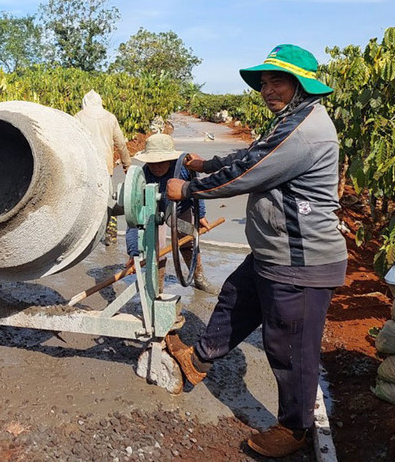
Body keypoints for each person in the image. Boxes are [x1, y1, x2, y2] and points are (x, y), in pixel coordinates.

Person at [164, 44, 346, 458]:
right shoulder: (290, 120)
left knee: (290, 349)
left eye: (276, 81)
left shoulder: (305, 130)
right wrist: (204, 164)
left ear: (302, 85)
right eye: (264, 83)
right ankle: (198, 360)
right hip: (274, 251)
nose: (267, 89)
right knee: (235, 299)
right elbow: (251, 155)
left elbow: (249, 172)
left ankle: (294, 428)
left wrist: (188, 188)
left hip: (300, 261)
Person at [123, 133, 217, 294]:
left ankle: (198, 277)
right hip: (155, 212)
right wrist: (133, 252)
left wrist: (200, 214)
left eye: (162, 162)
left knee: (189, 242)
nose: (157, 167)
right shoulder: (143, 176)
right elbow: (134, 217)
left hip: (182, 208)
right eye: (153, 163)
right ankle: (157, 288)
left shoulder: (184, 169)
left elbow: (196, 192)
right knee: (155, 250)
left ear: (171, 159)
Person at [74, 90, 132, 245]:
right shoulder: (110, 117)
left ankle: (88, 235)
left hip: (86, 165)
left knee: (87, 199)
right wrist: (127, 164)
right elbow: (120, 143)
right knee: (108, 198)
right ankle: (111, 233)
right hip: (105, 165)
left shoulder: (78, 117)